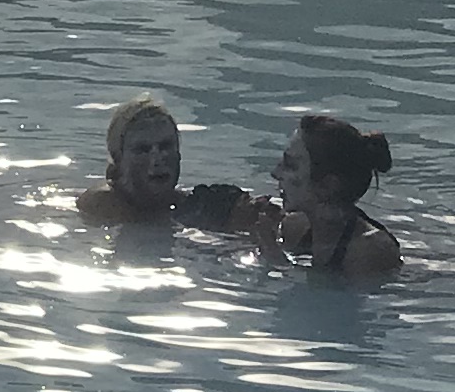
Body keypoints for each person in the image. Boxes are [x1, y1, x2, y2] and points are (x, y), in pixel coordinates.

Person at [74, 95, 262, 234]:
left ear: (178, 154)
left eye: (165, 146)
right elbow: (147, 231)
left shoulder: (184, 205)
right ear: (119, 160)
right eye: (142, 150)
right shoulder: (101, 201)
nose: (157, 159)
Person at [257, 114, 404, 279]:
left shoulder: (370, 250)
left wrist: (278, 262)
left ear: (328, 185)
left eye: (290, 165)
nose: (275, 173)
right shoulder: (293, 228)